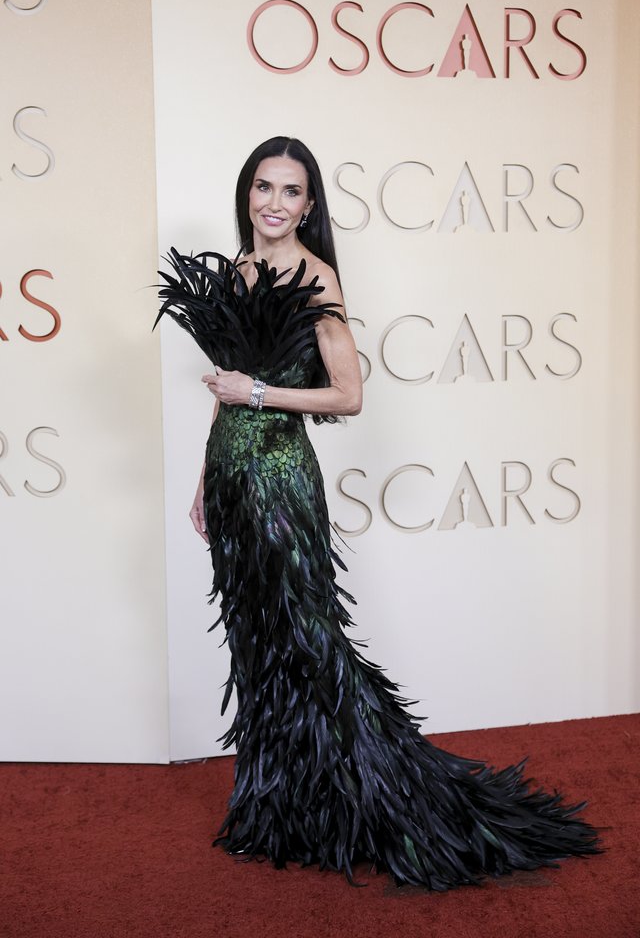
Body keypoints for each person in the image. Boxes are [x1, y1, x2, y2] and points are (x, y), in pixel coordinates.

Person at [155, 135, 604, 890]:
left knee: (308, 643)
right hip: (232, 477)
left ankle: (376, 795)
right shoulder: (236, 269)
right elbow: (227, 391)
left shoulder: (316, 276)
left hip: (280, 483)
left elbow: (348, 394)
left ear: (309, 204)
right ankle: (279, 808)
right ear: (247, 193)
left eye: (290, 191)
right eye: (263, 186)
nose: (273, 203)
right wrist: (206, 474)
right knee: (256, 645)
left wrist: (256, 393)